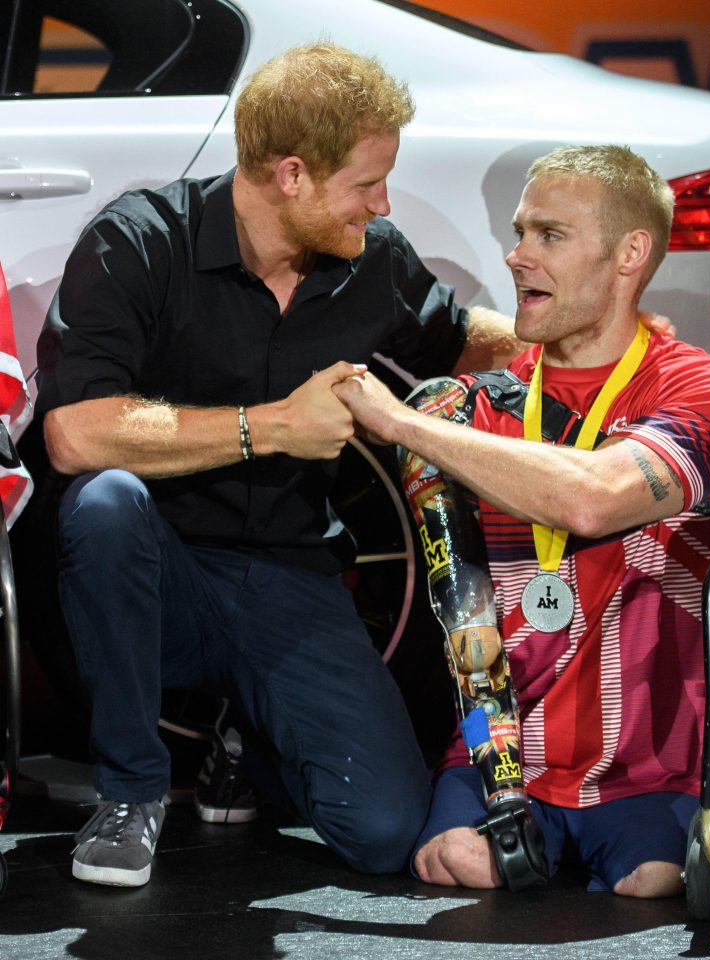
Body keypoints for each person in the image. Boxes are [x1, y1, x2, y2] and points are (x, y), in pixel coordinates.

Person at [33, 41, 544, 889]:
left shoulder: (371, 259)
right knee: (105, 504)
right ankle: (131, 790)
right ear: (293, 175)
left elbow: (459, 338)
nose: (381, 204)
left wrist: (583, 348)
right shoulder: (139, 242)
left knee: (384, 836)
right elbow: (74, 436)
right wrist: (268, 427)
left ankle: (251, 743)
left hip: (288, 579)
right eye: (365, 183)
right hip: (156, 579)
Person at [333, 144, 710, 898]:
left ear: (631, 253)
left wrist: (405, 428)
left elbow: (593, 497)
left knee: (654, 884)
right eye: (519, 231)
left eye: (548, 235)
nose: (515, 254)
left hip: (643, 773)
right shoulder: (465, 407)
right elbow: (458, 604)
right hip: (494, 765)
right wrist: (497, 788)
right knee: (455, 866)